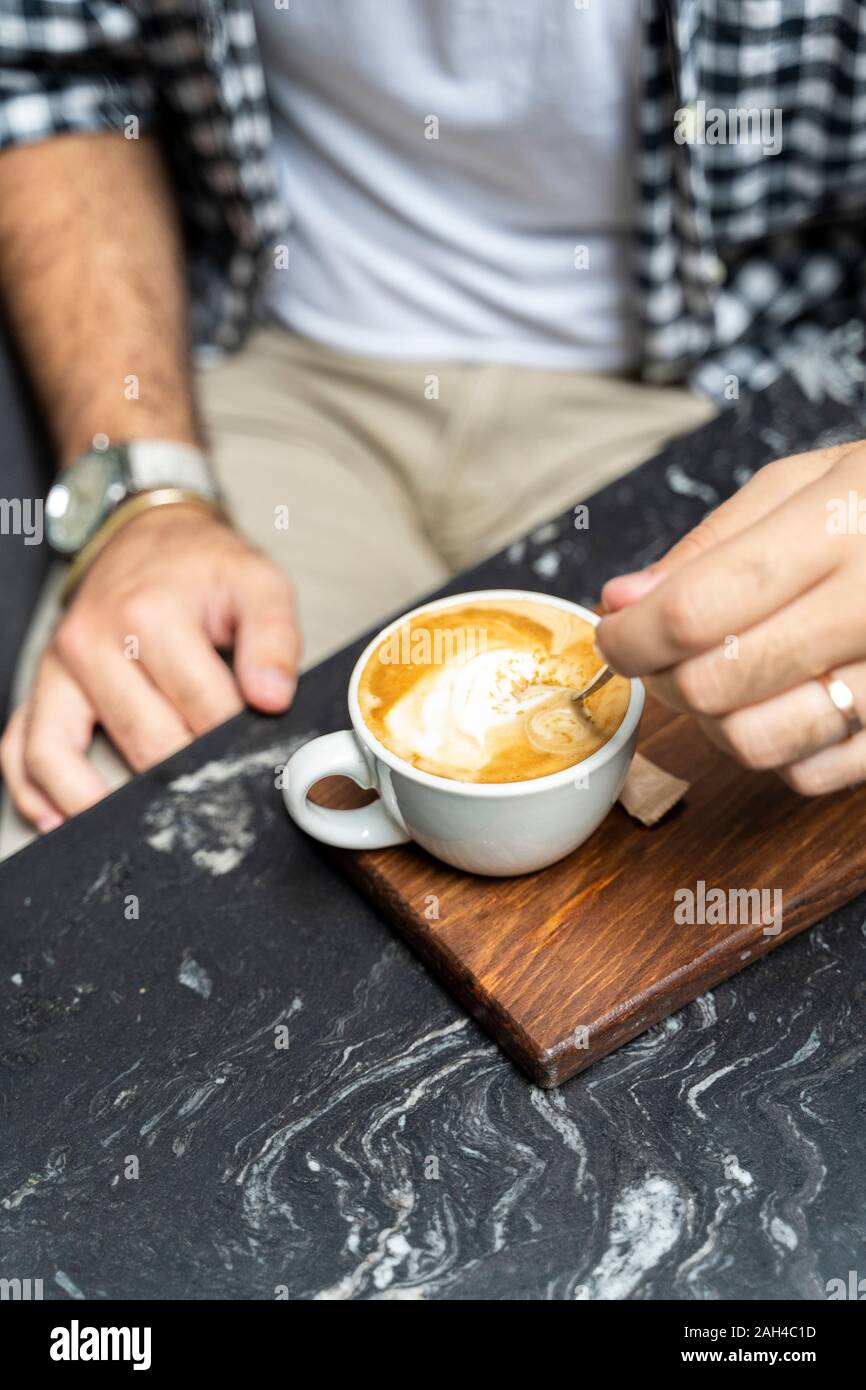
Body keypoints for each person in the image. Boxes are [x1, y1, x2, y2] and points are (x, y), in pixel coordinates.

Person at [1, 0, 865, 859]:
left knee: (768, 844)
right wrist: (145, 491)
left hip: (725, 386)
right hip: (260, 370)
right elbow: (58, 74)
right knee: (90, 850)